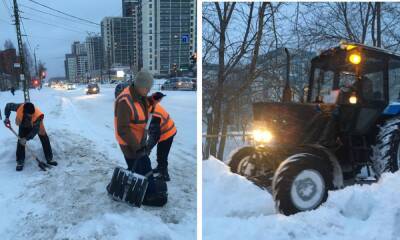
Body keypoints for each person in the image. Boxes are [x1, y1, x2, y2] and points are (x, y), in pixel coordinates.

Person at [114, 70, 167, 206]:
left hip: (138, 141)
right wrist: (136, 148)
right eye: (147, 88)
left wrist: (152, 99)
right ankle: (147, 196)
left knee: (144, 166)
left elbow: (142, 108)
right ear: (140, 85)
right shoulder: (124, 101)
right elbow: (123, 129)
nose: (148, 90)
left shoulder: (138, 95)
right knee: (141, 169)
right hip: (129, 143)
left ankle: (147, 190)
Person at [3, 102, 57, 171]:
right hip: (23, 124)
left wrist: (26, 138)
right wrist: (7, 117)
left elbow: (35, 130)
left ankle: (49, 159)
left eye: (31, 115)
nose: (30, 116)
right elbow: (8, 106)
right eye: (29, 115)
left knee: (44, 137)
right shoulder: (19, 107)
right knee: (21, 140)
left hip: (36, 124)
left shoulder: (37, 115)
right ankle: (20, 161)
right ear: (24, 112)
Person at [147, 92, 177, 181]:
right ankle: (160, 168)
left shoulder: (154, 114)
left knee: (162, 155)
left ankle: (164, 175)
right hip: (162, 130)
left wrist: (147, 148)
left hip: (168, 132)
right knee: (160, 153)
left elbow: (155, 135)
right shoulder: (146, 102)